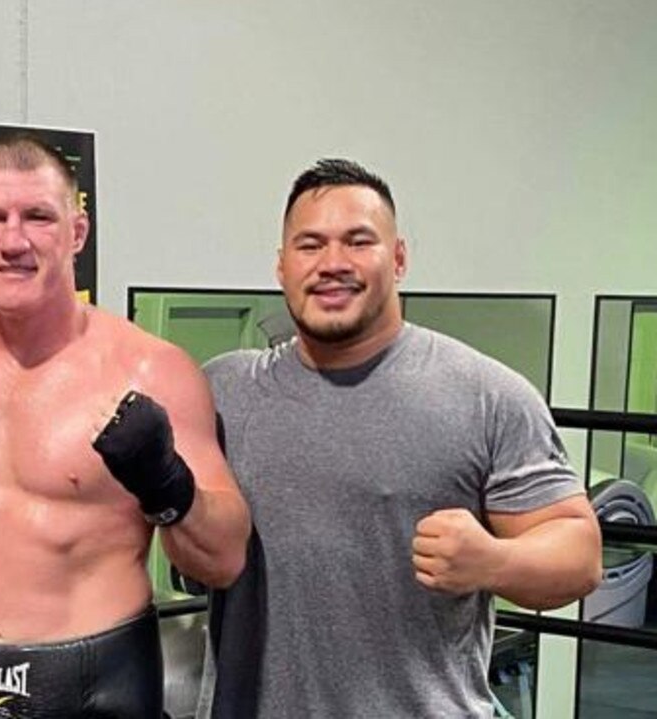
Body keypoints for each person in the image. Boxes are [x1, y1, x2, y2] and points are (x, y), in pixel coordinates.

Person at [0, 134, 252, 719]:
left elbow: (225, 558)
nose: (13, 240)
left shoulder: (150, 370)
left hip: (99, 687)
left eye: (37, 216)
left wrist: (170, 485)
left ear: (76, 232)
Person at [200, 158, 603, 717]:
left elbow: (580, 556)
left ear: (399, 258)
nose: (332, 263)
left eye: (358, 241)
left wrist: (494, 561)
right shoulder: (223, 389)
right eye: (310, 245)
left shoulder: (486, 394)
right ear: (281, 266)